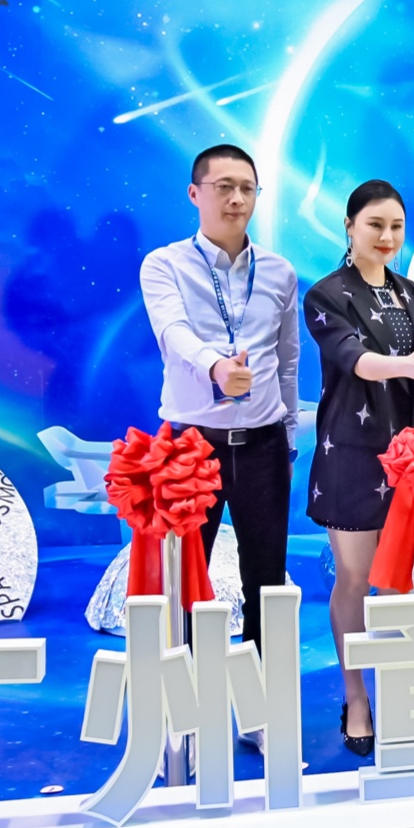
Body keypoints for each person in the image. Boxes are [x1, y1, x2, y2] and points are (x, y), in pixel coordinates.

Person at [139, 144, 301, 752]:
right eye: (224, 187)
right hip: (189, 447)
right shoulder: (164, 264)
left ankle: (259, 713)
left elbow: (288, 359)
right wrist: (214, 366)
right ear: (195, 193)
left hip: (262, 444)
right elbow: (172, 331)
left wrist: (286, 432)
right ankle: (183, 715)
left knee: (267, 583)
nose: (237, 199)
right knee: (183, 582)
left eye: (247, 188)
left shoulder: (279, 272)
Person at [304, 180, 414, 758]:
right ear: (349, 226)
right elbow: (355, 360)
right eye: (375, 225)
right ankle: (357, 696)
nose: (387, 237)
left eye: (396, 227)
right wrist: (406, 364)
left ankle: (408, 689)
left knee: (407, 581)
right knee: (356, 579)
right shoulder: (327, 294)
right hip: (354, 456)